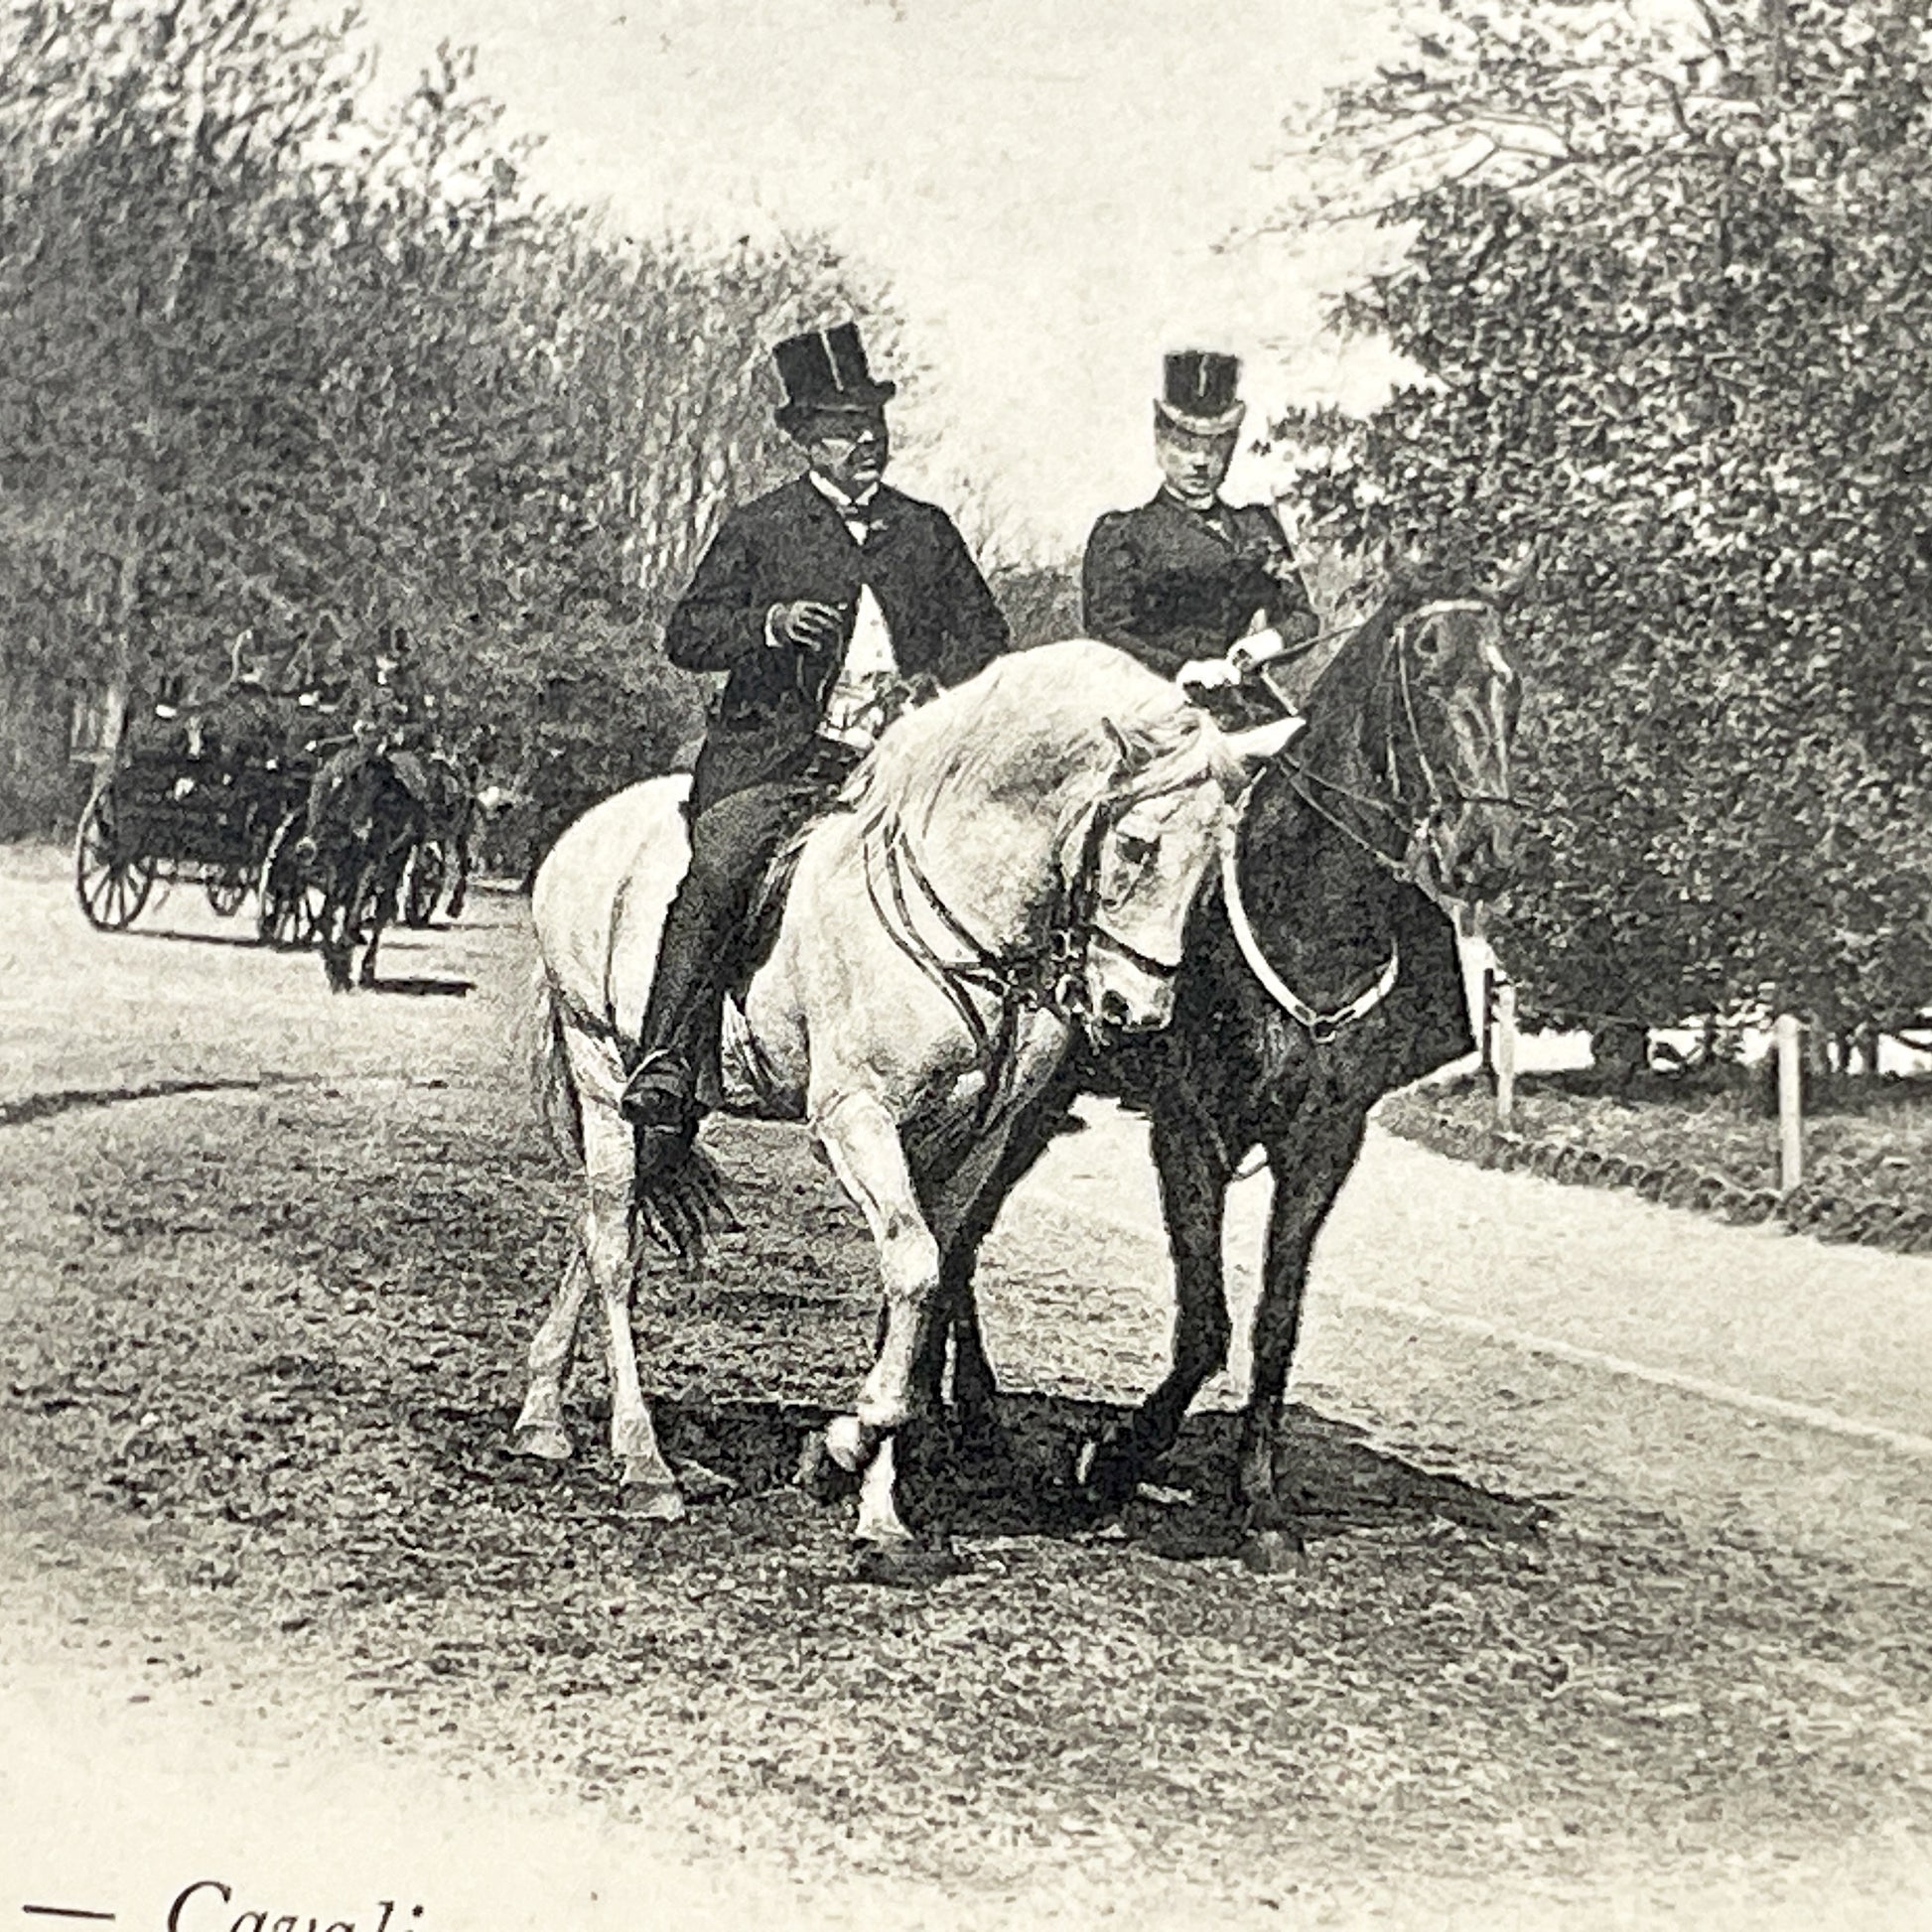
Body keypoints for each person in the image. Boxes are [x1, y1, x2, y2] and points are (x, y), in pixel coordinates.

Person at [625, 321, 1013, 1168]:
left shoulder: (927, 530)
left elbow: (986, 633)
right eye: (842, 426)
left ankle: (1005, 1062)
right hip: (777, 757)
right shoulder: (762, 527)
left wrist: (935, 686)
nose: (865, 439)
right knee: (723, 865)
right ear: (805, 439)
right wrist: (767, 624)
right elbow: (687, 634)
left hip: (899, 763)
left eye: (872, 420)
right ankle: (665, 1060)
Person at [1081, 349, 1319, 707]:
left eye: (1215, 444)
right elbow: (1106, 631)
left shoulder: (1256, 527)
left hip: (1241, 697)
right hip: (1152, 702)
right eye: (1185, 443)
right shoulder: (1123, 533)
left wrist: (1262, 645)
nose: (1201, 461)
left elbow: (1301, 616)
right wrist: (1182, 668)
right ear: (1159, 442)